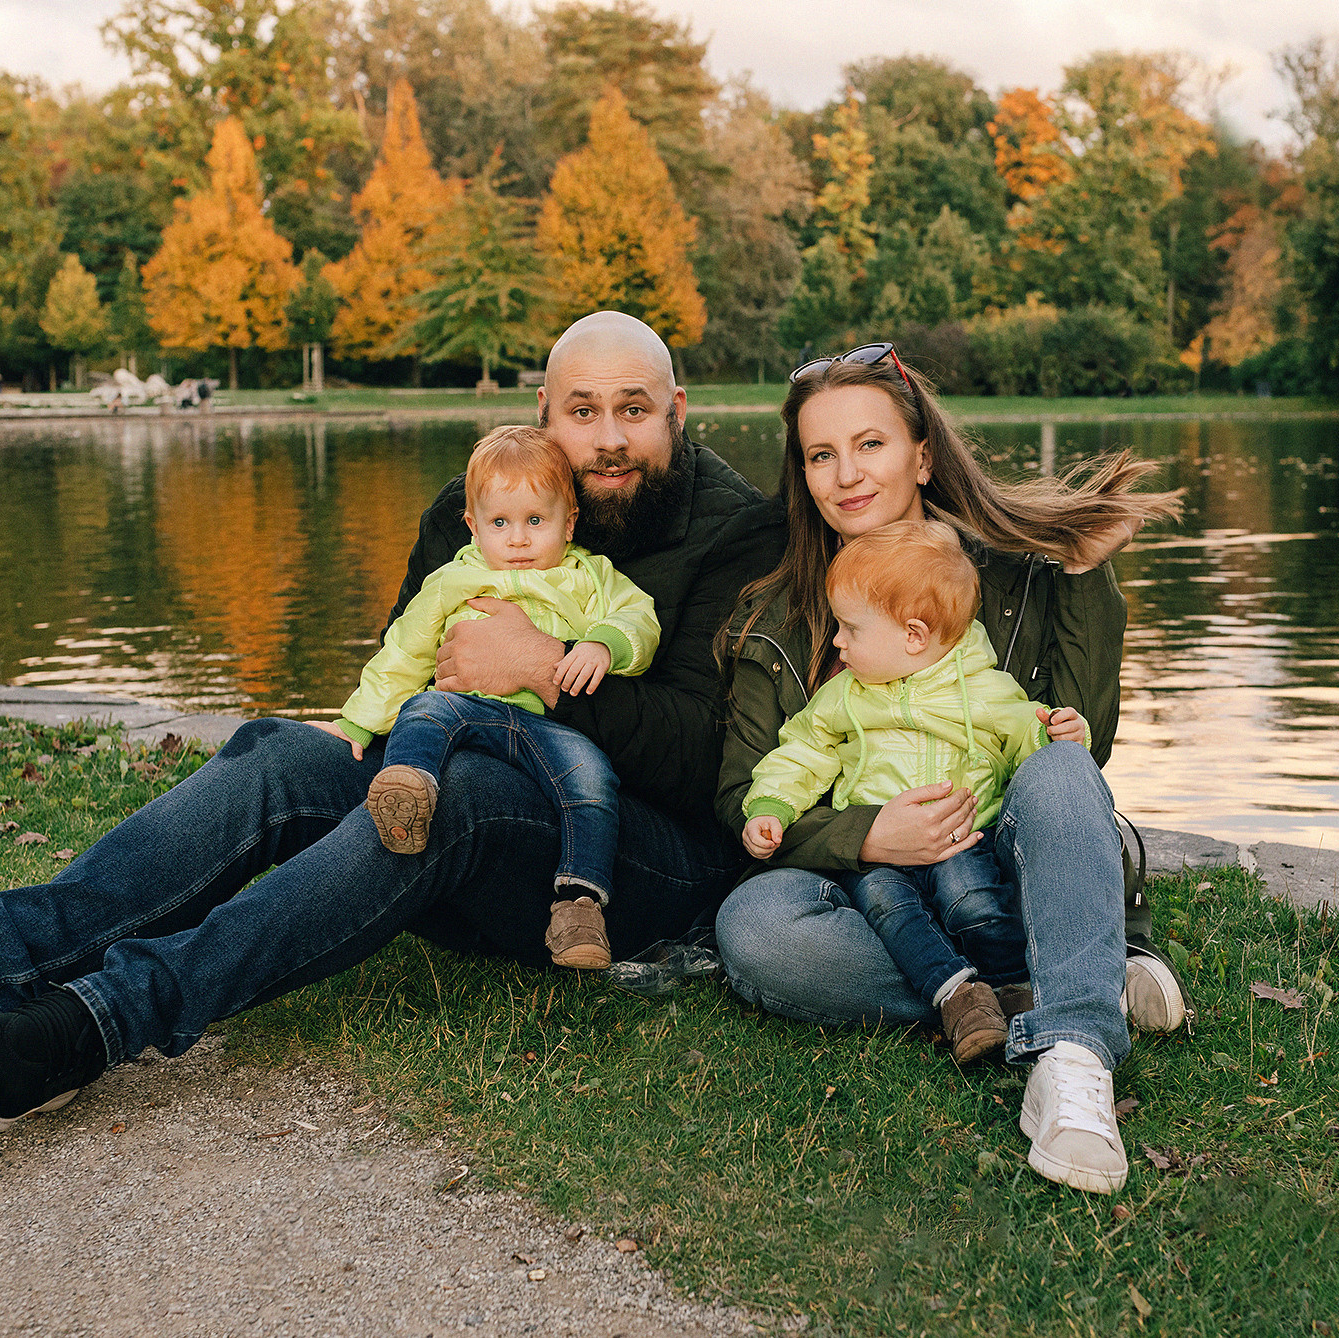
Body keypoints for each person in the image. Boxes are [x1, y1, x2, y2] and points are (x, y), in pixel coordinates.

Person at [0, 311, 780, 1134]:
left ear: (677, 411)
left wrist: (545, 670)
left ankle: (86, 1029)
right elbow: (403, 678)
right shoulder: (474, 510)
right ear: (543, 412)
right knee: (281, 755)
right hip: (479, 813)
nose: (608, 438)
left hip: (633, 862)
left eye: (634, 410)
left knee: (453, 794)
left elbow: (707, 764)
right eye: (583, 410)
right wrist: (357, 738)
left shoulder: (736, 532)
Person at [713, 343, 1184, 1196]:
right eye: (821, 455)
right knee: (757, 930)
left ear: (922, 456)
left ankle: (1073, 1055)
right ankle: (1060, 972)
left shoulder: (1007, 576)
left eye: (871, 444)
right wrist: (867, 835)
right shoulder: (776, 614)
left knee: (1060, 771)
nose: (846, 475)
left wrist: (1084, 574)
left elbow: (1080, 754)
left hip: (993, 852)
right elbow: (743, 796)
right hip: (867, 886)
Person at [738, 519, 1068, 1066]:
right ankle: (957, 997)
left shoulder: (985, 690)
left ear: (913, 635)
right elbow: (803, 751)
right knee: (888, 908)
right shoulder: (845, 696)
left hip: (962, 842)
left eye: (850, 628)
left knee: (972, 899)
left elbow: (1024, 741)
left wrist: (1051, 733)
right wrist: (771, 805)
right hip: (877, 853)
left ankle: (1014, 990)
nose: (838, 641)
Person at [336, 424, 661, 971]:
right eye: (500, 523)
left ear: (569, 522)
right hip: (468, 707)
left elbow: (640, 617)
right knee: (424, 709)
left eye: (536, 521)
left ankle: (580, 906)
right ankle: (409, 788)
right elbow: (405, 652)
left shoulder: (589, 576)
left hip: (550, 724)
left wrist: (604, 643)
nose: (517, 540)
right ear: (473, 525)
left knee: (592, 780)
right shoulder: (453, 580)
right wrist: (359, 721)